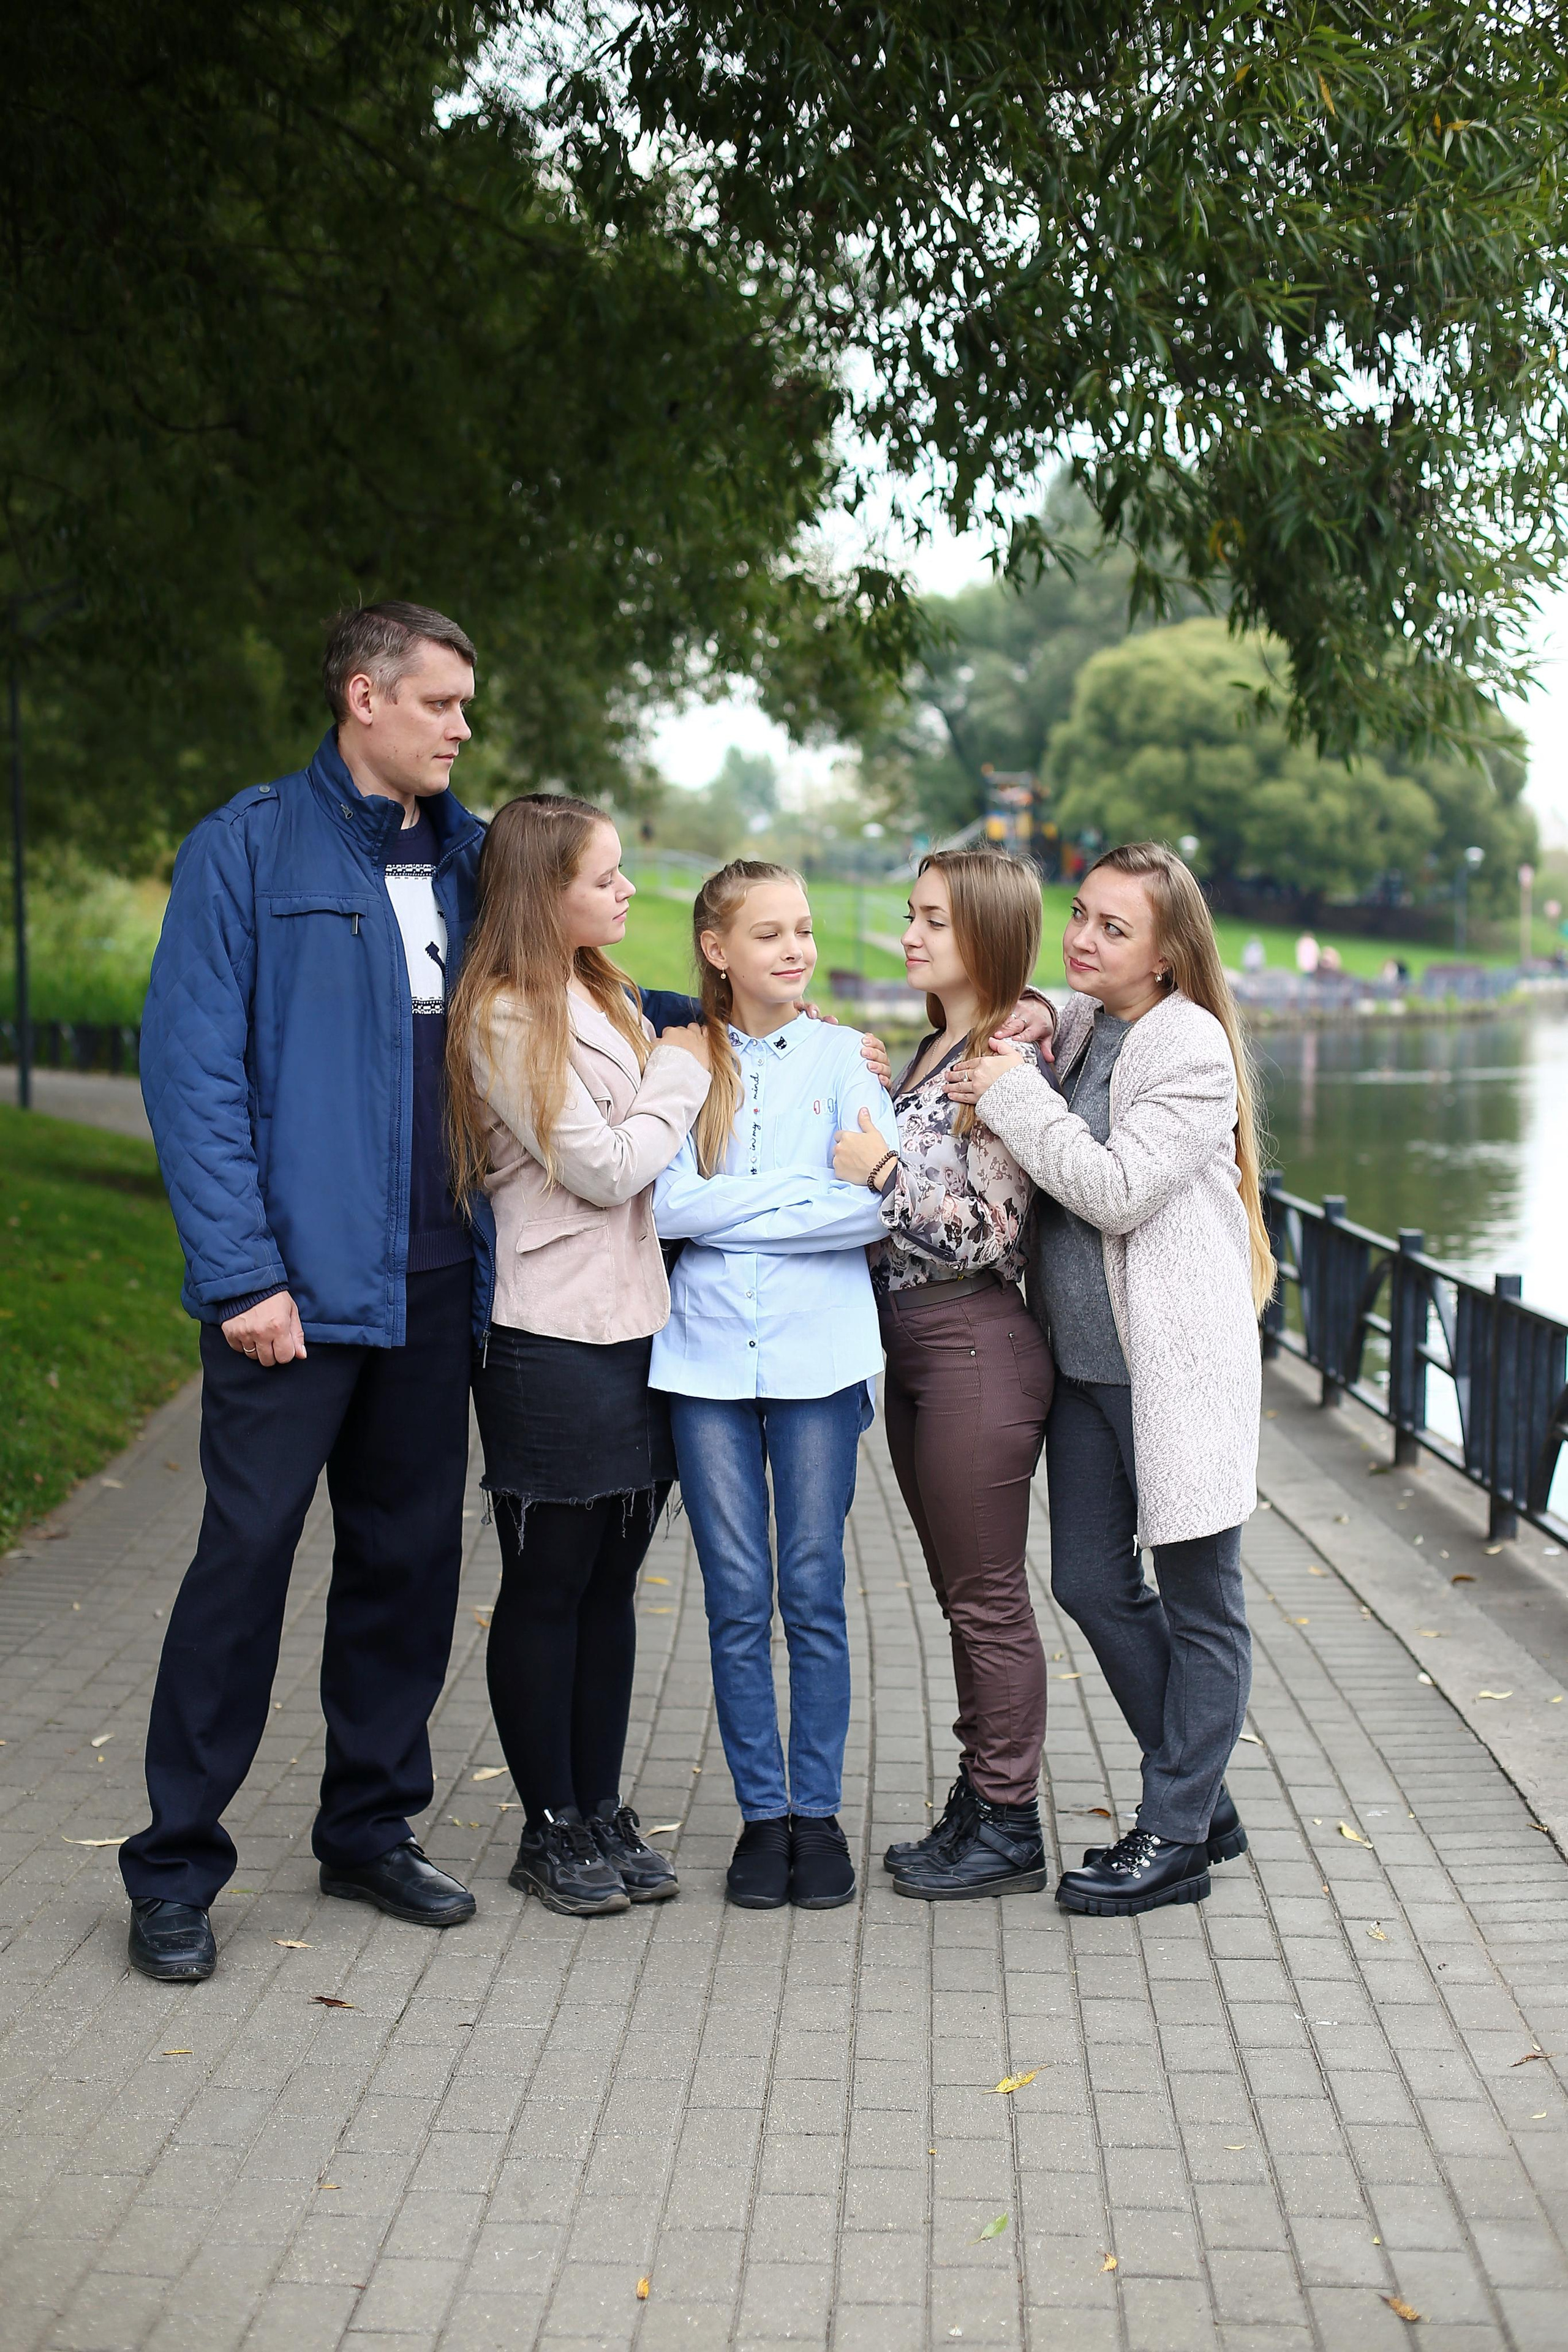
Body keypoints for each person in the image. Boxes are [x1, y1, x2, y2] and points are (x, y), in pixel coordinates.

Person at [122, 603, 493, 1982]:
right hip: (293, 1300)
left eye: (465, 706)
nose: (462, 727)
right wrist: (240, 1276)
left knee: (406, 1573)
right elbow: (192, 1076)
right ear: (364, 698)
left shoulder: (473, 857)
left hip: (435, 1290)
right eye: (443, 703)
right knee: (243, 1571)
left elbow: (576, 998)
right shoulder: (246, 848)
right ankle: (172, 1866)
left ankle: (368, 1829)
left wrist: (735, 1023)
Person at [948, 840, 1275, 1918]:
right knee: (1089, 1581)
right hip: (1086, 1368)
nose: (1083, 938)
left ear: (1170, 953)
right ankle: (1201, 1790)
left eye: (1112, 929)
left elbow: (1119, 1188)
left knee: (1203, 1602)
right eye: (1080, 915)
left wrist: (1010, 1097)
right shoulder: (1087, 1017)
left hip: (1168, 1370)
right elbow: (1058, 1009)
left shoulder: (1189, 1049)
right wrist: (1040, 1006)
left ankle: (1176, 1831)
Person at [447, 794, 712, 1917]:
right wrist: (685, 1074)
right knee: (547, 1583)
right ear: (542, 890)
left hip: (635, 1320)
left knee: (613, 1582)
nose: (627, 893)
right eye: (605, 878)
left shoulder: (601, 990)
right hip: (546, 1330)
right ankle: (547, 1826)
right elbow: (604, 1168)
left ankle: (599, 1808)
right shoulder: (503, 1015)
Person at [651, 861, 900, 1911]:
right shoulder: (681, 1059)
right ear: (719, 951)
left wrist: (737, 1201)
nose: (796, 949)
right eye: (770, 934)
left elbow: (880, 1206)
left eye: (802, 928)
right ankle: (762, 1817)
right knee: (738, 1597)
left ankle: (819, 1814)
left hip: (820, 1360)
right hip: (704, 1360)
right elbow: (662, 1206)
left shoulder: (847, 1057)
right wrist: (810, 1186)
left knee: (812, 1591)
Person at [832, 849, 1056, 1901]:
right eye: (911, 915)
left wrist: (878, 1171)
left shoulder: (1001, 1064)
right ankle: (982, 1799)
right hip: (915, 1348)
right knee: (961, 1596)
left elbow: (989, 1229)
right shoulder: (934, 1050)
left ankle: (1009, 1824)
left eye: (933, 920)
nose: (910, 934)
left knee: (989, 1599)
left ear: (986, 937)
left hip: (974, 1346)